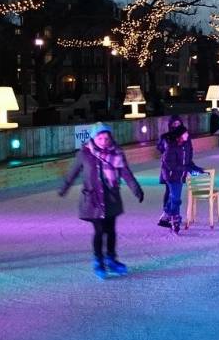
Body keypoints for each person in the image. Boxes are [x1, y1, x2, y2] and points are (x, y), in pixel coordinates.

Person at [59, 123, 144, 279]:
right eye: (100, 137)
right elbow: (73, 172)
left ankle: (111, 258)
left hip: (111, 198)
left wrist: (136, 189)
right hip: (93, 200)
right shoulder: (85, 153)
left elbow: (126, 173)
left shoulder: (117, 153)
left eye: (106, 137)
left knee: (111, 231)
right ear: (94, 138)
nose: (104, 140)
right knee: (99, 231)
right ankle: (99, 260)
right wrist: (64, 188)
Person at [156, 116, 204, 233]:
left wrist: (194, 169)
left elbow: (187, 159)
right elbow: (169, 162)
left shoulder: (185, 144)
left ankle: (166, 215)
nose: (188, 135)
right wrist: (187, 169)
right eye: (175, 124)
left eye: (179, 123)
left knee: (173, 196)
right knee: (175, 197)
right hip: (171, 175)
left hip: (180, 174)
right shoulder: (170, 144)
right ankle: (174, 218)